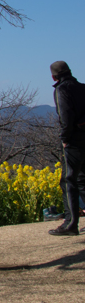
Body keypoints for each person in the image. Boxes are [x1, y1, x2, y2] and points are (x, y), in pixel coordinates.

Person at [50, 61, 85, 236]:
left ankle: (70, 224)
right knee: (82, 179)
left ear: (53, 76)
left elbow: (65, 116)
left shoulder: (61, 90)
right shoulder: (83, 87)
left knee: (68, 180)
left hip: (74, 140)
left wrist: (65, 138)